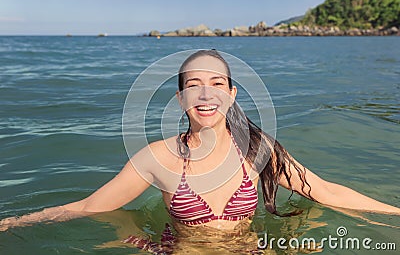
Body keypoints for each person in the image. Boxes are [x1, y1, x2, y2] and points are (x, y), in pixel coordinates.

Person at [1, 50, 399, 251]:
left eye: (215, 83)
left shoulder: (258, 149)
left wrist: (395, 215)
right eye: (193, 84)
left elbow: (326, 191)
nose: (205, 93)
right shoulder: (155, 158)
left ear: (231, 93)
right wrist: (13, 224)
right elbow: (91, 207)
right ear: (180, 98)